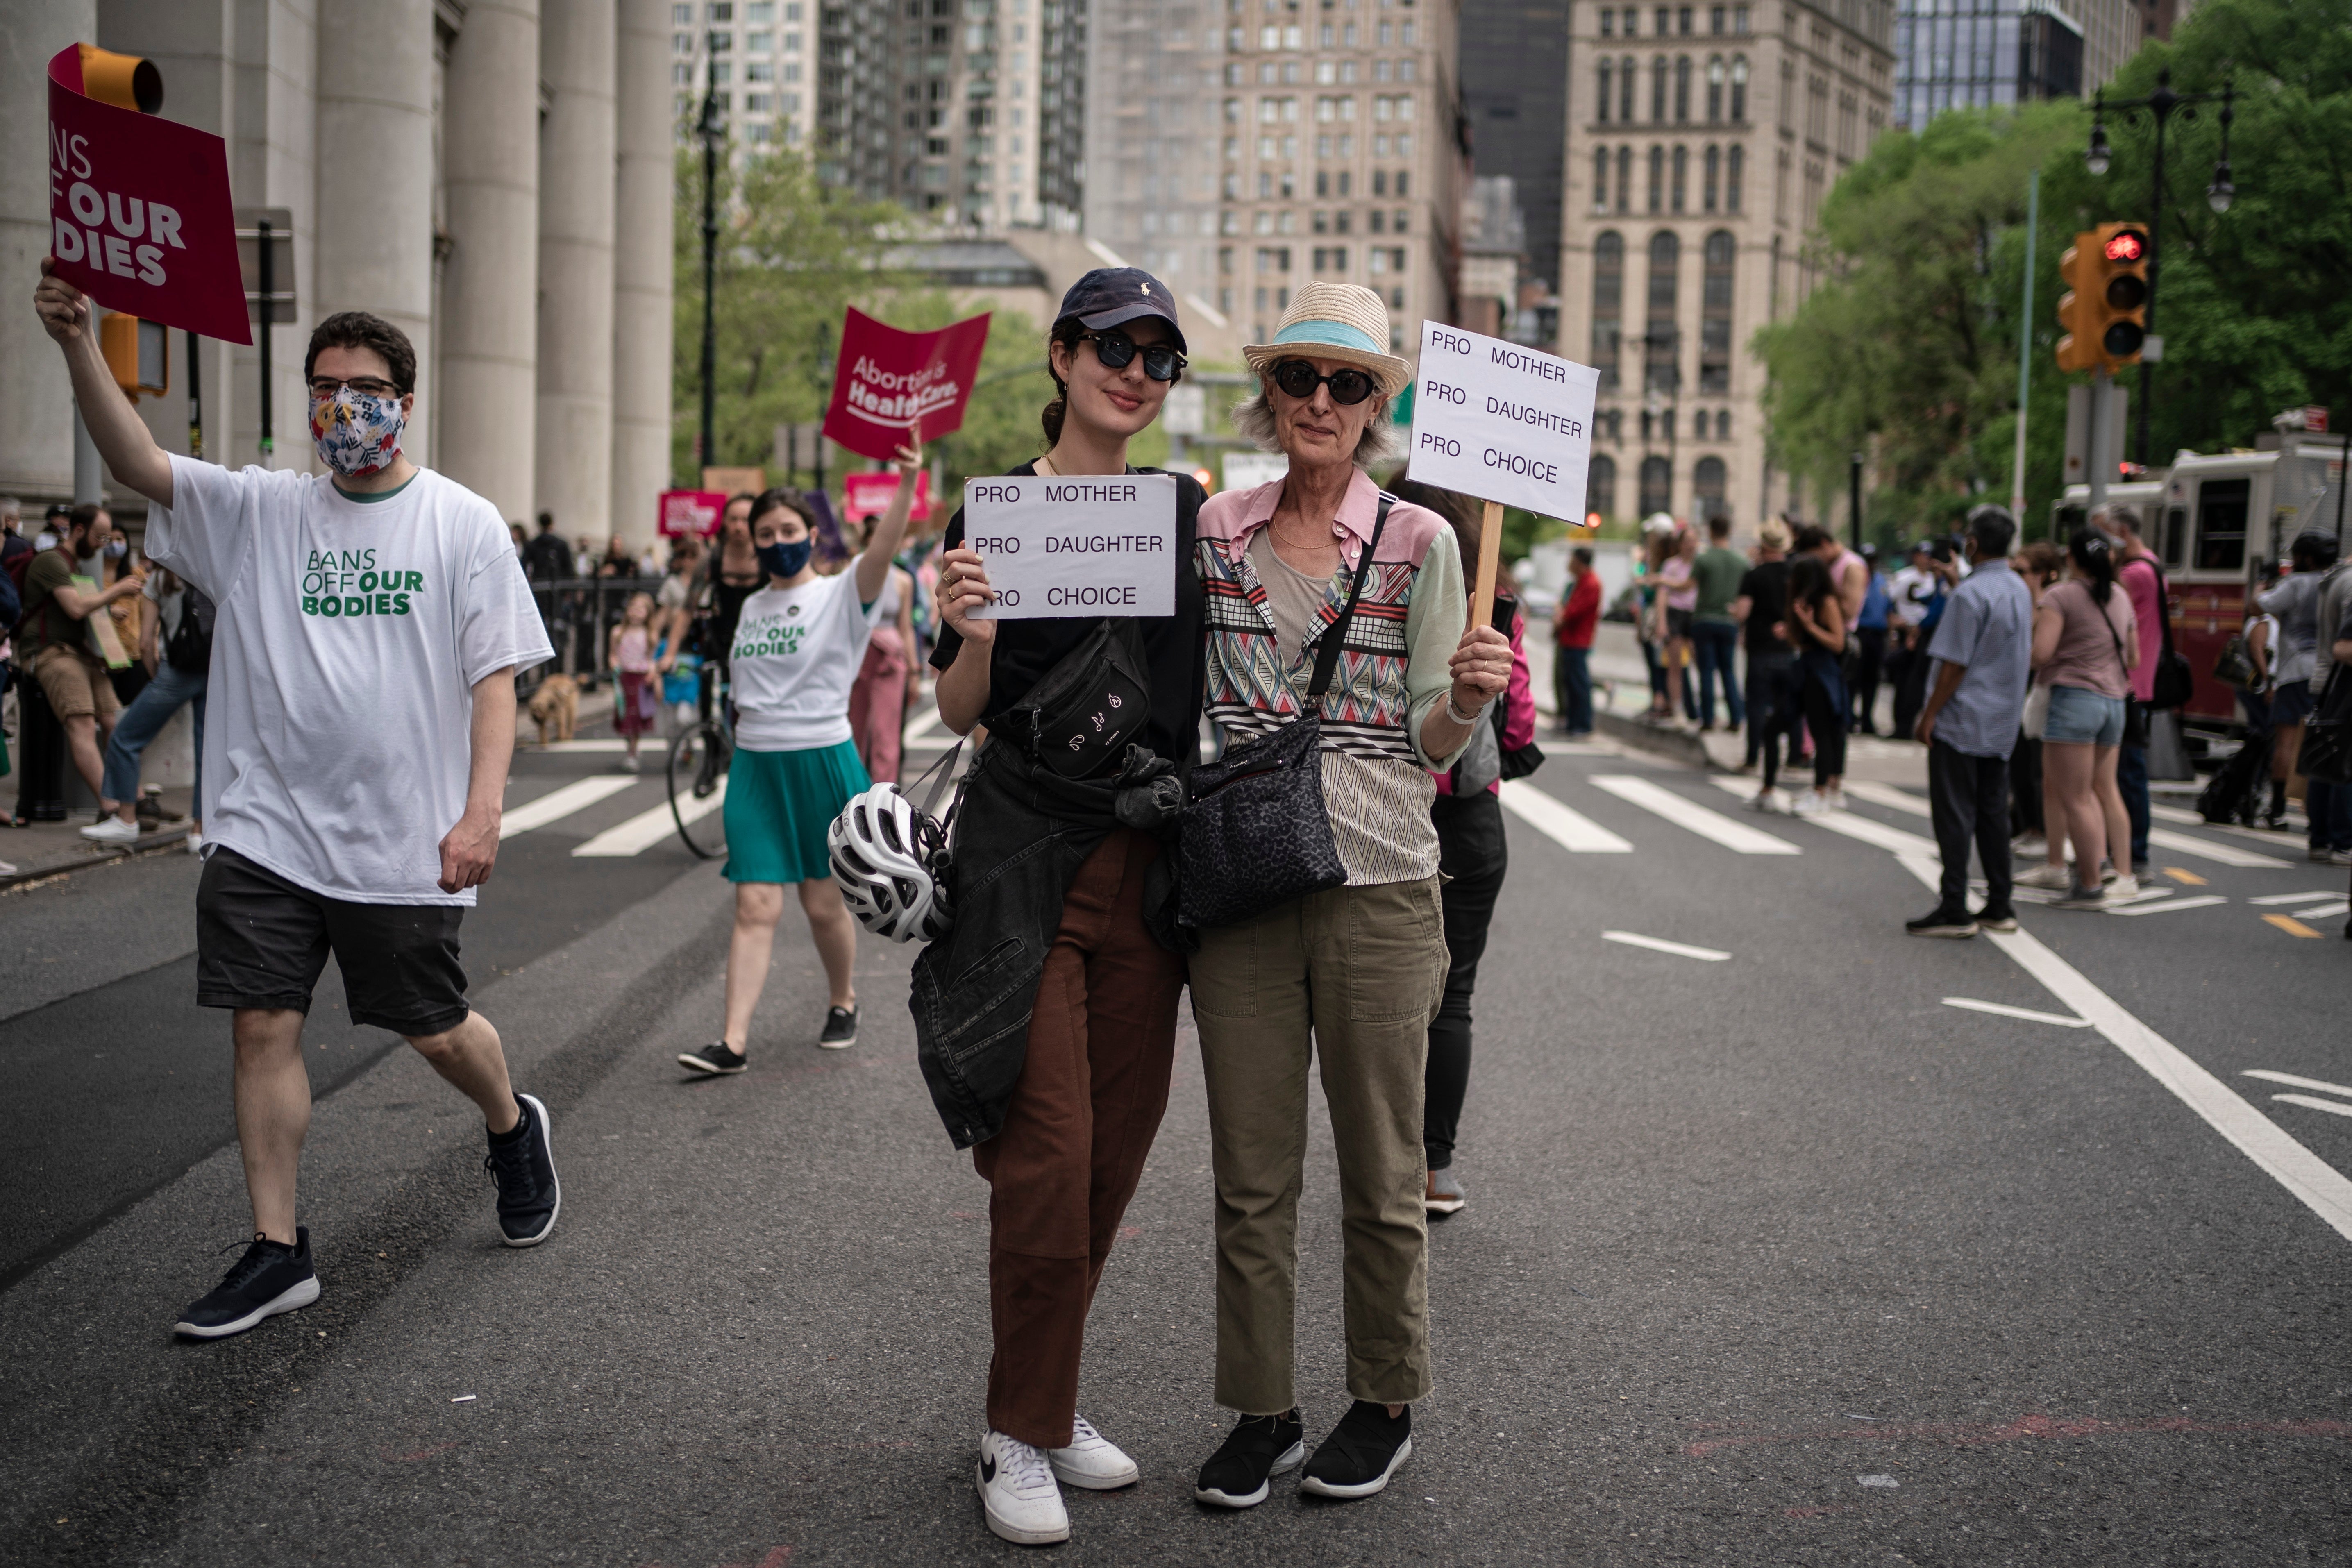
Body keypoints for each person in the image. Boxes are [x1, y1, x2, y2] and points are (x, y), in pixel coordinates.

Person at [38, 270, 562, 1336]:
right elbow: (139, 463)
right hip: (265, 827)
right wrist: (77, 344)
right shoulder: (264, 509)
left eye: (363, 388)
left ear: (403, 403)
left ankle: (511, 1124)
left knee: (434, 1029)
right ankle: (277, 1250)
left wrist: (482, 811)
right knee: (261, 1027)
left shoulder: (461, 523)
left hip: (399, 838)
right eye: (323, 387)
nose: (340, 407)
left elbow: (495, 678)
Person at [1186, 282, 1510, 1514]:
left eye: (1348, 384)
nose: (1319, 402)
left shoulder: (1423, 542)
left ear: (1376, 406)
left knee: (1381, 1170)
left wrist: (1470, 695)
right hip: (1242, 883)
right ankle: (1259, 1410)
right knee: (1247, 1173)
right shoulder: (1214, 527)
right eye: (1298, 379)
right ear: (1269, 395)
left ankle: (1383, 1399)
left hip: (1379, 883)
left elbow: (1431, 740)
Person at [918, 268, 1206, 1548]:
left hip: (1146, 873)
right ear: (1061, 354)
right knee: (1043, 1156)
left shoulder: (1182, 513)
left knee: (1111, 1157)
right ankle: (1010, 1425)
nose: (1134, 370)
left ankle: (1046, 1402)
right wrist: (968, 626)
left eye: (1159, 356)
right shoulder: (994, 510)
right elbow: (956, 714)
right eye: (1112, 345)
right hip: (1022, 866)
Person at [671, 461, 919, 1076]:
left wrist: (907, 484)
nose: (777, 542)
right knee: (755, 903)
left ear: (814, 535)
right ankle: (731, 1041)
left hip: (823, 760)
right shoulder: (751, 606)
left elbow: (883, 546)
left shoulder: (842, 594)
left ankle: (844, 999)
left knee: (822, 903)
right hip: (756, 765)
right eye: (765, 534)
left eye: (789, 530)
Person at [1392, 479, 1537, 1218]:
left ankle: (1384, 1155)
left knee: (1380, 999)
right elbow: (1517, 733)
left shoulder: (1383, 584)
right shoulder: (1496, 605)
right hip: (1475, 822)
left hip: (1390, 812)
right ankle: (1434, 1168)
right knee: (1454, 998)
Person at [1907, 507, 2032, 937]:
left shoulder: (1968, 596)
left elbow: (1954, 665)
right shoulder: (2018, 588)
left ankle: (1954, 905)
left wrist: (1928, 714)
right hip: (2002, 720)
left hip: (1963, 719)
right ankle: (1999, 902)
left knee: (1954, 813)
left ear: (1972, 545)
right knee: (1993, 812)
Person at [2018, 530, 2138, 909]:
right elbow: (2133, 657)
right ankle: (2118, 871)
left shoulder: (2062, 596)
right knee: (2103, 791)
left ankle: (2088, 883)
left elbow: (2042, 653)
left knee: (2076, 797)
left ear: (2070, 558)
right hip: (2114, 702)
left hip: (2074, 701)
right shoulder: (2120, 596)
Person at [18, 502, 145, 817]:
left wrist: (98, 654)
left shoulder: (72, 566)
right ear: (79, 530)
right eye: (100, 538)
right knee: (84, 723)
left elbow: (73, 618)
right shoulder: (51, 561)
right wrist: (116, 591)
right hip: (49, 653)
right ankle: (111, 807)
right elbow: (75, 609)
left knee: (114, 722)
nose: (104, 546)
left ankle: (136, 798)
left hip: (78, 654)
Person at [86, 567, 213, 849]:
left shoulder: (161, 578)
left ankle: (127, 819)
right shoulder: (213, 571)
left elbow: (146, 643)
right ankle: (199, 830)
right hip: (214, 670)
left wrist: (159, 679)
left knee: (125, 738)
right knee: (208, 752)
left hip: (175, 672)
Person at [2260, 531, 2347, 857]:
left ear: (2305, 557)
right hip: (2326, 673)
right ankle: (2317, 818)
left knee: (2286, 741)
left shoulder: (2298, 583)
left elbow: (2262, 604)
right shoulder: (2336, 581)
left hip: (2295, 668)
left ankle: (2278, 807)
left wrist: (2263, 585)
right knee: (2325, 746)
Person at [2103, 504, 2163, 880]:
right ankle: (2127, 852)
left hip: (2129, 683)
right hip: (2135, 682)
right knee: (2125, 774)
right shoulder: (2152, 563)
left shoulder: (2135, 573)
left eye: (2105, 536)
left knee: (2126, 775)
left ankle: (2133, 855)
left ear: (2122, 533)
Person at [845, 512, 919, 785]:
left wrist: (914, 670)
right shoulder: (850, 574)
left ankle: (883, 802)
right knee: (854, 732)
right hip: (858, 657)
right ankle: (852, 795)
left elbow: (906, 627)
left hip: (892, 661)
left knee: (886, 735)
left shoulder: (904, 580)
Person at [1785, 527, 1850, 814]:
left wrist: (1810, 626)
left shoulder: (1826, 602)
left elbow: (1838, 642)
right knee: (1818, 728)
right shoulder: (1810, 603)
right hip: (1811, 669)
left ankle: (1823, 789)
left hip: (1824, 672)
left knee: (1824, 732)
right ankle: (1824, 788)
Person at [2007, 541, 2064, 853]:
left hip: (2041, 692)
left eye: (2021, 570)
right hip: (2020, 693)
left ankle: (2042, 831)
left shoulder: (2050, 605)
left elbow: (2039, 652)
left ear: (2043, 574)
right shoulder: (2023, 600)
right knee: (2020, 764)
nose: (2015, 575)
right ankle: (2030, 827)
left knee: (2036, 766)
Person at [1732, 519, 1796, 798]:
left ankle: (1752, 757)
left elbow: (1743, 612)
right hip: (1789, 648)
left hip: (1760, 648)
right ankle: (1795, 756)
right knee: (1789, 706)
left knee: (1757, 706)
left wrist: (1734, 612)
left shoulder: (1754, 575)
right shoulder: (1796, 573)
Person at [1689, 515, 1747, 732]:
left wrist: (1665, 582)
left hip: (1704, 619)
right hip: (1729, 621)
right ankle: (1736, 717)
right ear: (1729, 531)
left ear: (1710, 531)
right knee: (1728, 671)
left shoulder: (1703, 559)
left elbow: (1689, 586)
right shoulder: (1741, 561)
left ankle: (1708, 719)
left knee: (1706, 671)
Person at [1650, 524, 1699, 726]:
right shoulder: (1672, 566)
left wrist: (1663, 580)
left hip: (1695, 614)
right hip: (1676, 614)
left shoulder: (1700, 565)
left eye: (1693, 541)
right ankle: (1677, 707)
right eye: (1687, 541)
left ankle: (1702, 708)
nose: (1690, 545)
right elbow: (1663, 594)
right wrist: (1661, 622)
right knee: (1675, 665)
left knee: (1701, 663)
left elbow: (1691, 585)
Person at [608, 591, 658, 772]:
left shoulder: (650, 635)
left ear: (648, 614)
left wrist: (652, 672)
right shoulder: (618, 633)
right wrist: (614, 664)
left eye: (641, 610)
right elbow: (613, 655)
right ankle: (631, 746)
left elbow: (652, 659)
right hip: (624, 678)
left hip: (641, 679)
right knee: (624, 715)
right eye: (633, 608)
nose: (636, 613)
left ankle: (633, 752)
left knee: (635, 717)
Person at [1553, 545, 1601, 735]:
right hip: (1570, 640)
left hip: (1578, 641)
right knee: (1571, 683)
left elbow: (1572, 612)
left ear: (1580, 562)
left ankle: (1583, 724)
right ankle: (1573, 723)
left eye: (1572, 559)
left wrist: (1561, 616)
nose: (1569, 563)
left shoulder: (1591, 583)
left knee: (1579, 684)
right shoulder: (1581, 581)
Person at [1851, 543, 1890, 732]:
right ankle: (1849, 717)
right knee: (1854, 678)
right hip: (1861, 633)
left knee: (1872, 680)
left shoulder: (1881, 580)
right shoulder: (1856, 579)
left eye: (1873, 560)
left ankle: (1867, 719)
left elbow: (1888, 608)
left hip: (1877, 636)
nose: (1870, 564)